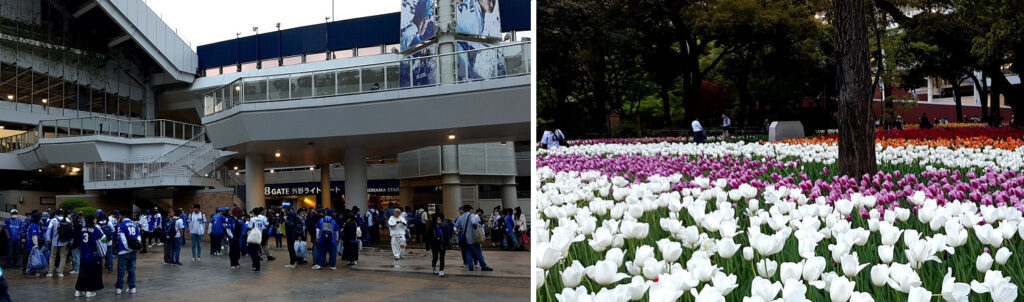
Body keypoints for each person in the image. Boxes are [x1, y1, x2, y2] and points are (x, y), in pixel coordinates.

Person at [74, 215, 105, 298]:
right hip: (93, 255)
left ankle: (78, 290)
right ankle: (89, 291)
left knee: (82, 273)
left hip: (83, 254)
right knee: (91, 273)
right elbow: (103, 239)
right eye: (95, 219)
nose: (96, 220)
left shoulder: (82, 229)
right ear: (93, 220)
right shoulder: (95, 229)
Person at [455, 206, 493, 271]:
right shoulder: (471, 216)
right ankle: (483, 266)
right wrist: (477, 224)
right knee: (478, 253)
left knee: (468, 252)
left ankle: (470, 266)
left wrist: (462, 229)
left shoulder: (460, 217)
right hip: (473, 238)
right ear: (470, 210)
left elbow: (456, 226)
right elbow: (474, 222)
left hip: (465, 239)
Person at [114, 213, 140, 295]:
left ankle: (119, 288)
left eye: (120, 215)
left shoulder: (121, 225)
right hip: (134, 251)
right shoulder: (135, 224)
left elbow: (122, 238)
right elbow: (139, 237)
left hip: (124, 251)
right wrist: (135, 248)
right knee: (132, 269)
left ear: (124, 216)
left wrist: (128, 248)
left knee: (121, 270)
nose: (120, 217)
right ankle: (132, 288)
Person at [45, 209, 73, 278]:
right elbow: (71, 230)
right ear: (62, 213)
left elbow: (48, 229)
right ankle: (60, 272)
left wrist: (48, 239)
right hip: (64, 241)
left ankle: (50, 272)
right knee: (63, 257)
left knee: (52, 256)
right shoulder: (67, 219)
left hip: (55, 241)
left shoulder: (53, 220)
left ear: (56, 213)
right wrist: (70, 240)